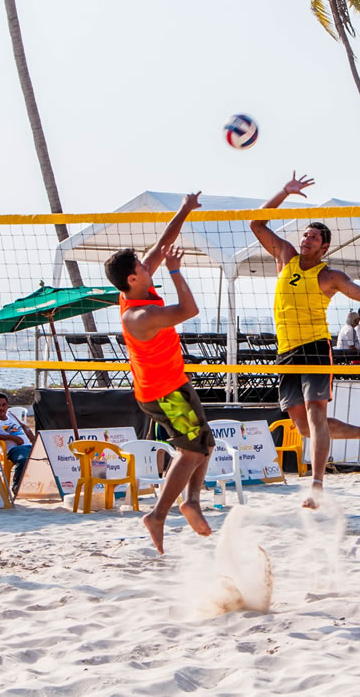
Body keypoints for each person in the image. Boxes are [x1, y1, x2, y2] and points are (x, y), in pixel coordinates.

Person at [250, 173, 360, 508]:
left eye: (314, 237)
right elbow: (256, 223)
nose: (307, 239)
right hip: (286, 352)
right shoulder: (285, 256)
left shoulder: (330, 276)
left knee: (315, 415)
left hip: (313, 347)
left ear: (324, 246)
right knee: (308, 428)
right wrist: (285, 191)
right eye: (305, 234)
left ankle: (316, 484)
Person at [105, 191, 217, 554]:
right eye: (141, 264)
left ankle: (192, 502)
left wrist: (184, 210)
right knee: (190, 453)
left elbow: (162, 241)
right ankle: (159, 514)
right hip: (164, 390)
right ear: (132, 278)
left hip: (167, 385)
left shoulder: (137, 286)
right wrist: (175, 271)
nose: (145, 263)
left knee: (204, 445)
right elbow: (189, 309)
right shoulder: (140, 316)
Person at [0, 392, 35, 496]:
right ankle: (17, 487)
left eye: (4, 405)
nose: (1, 408)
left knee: (47, 457)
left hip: (28, 446)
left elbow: (24, 426)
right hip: (14, 450)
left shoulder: (10, 415)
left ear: (7, 406)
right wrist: (12, 438)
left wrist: (34, 439)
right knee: (23, 460)